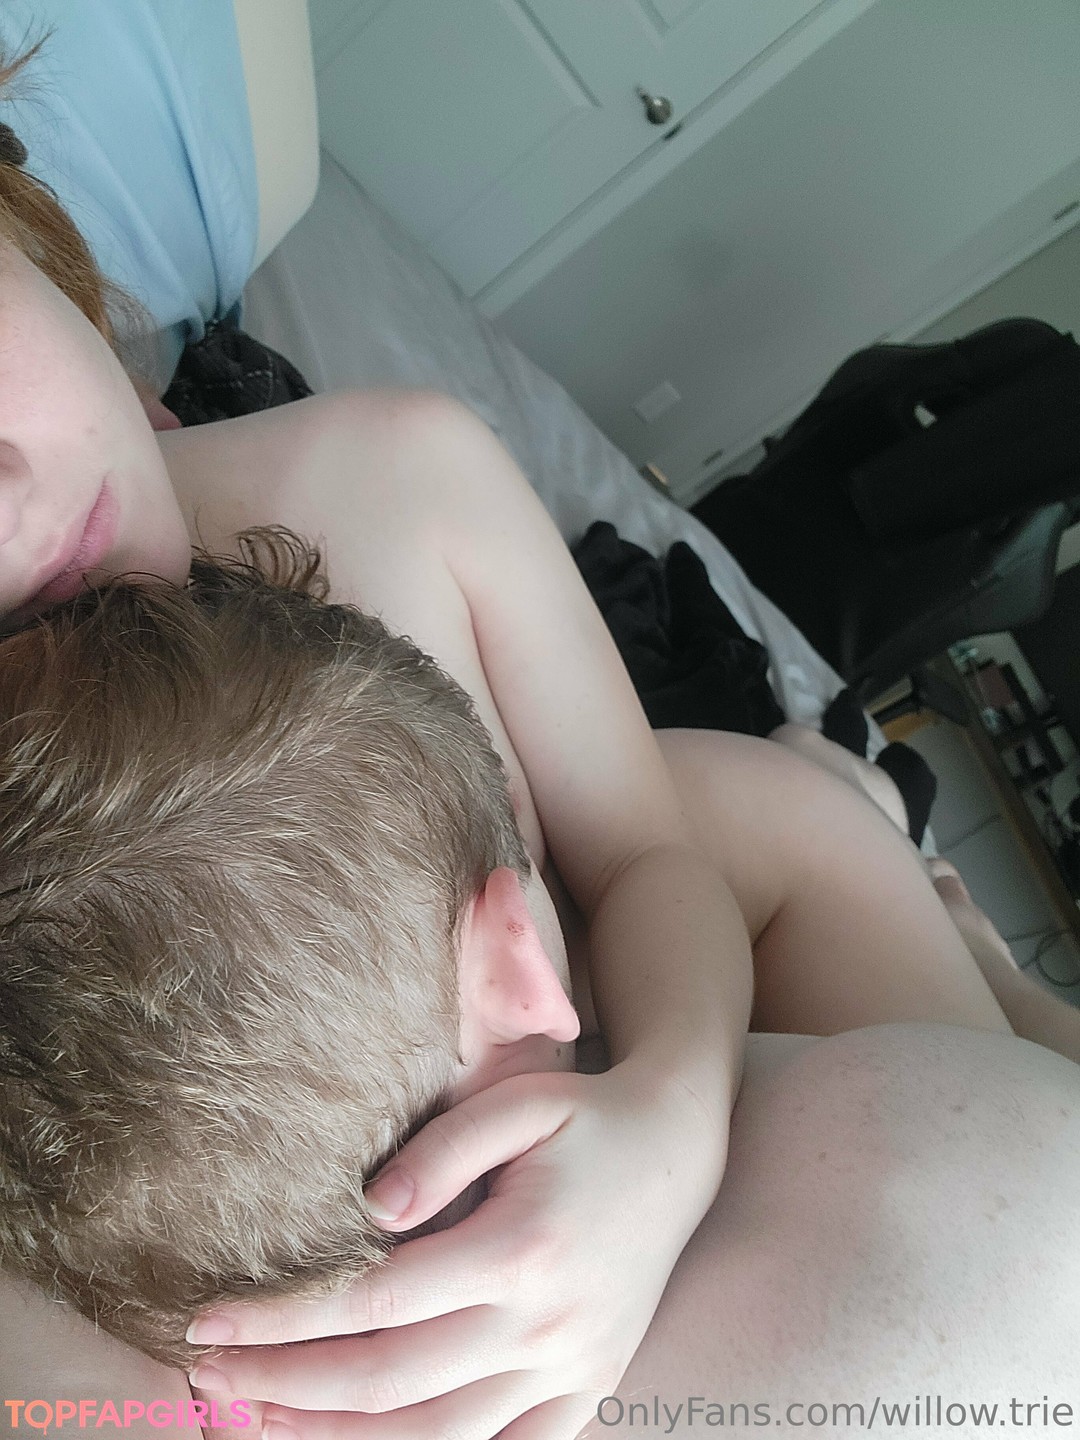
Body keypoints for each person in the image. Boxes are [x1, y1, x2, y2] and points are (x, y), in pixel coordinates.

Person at [0, 39, 1076, 1438]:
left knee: (878, 940)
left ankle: (982, 957)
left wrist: (668, 1123)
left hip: (662, 964)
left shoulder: (393, 470)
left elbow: (648, 860)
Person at [1, 542, 1079, 1440]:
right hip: (1002, 1197)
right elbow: (693, 845)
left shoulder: (128, 1367)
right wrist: (680, 1099)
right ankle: (997, 970)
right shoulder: (937, 1160)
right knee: (780, 811)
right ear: (516, 961)